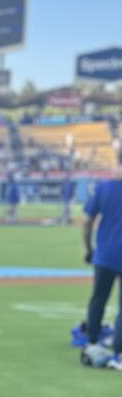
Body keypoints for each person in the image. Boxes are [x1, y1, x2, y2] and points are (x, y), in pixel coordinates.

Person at [81, 151, 122, 371]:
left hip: (105, 254)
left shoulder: (104, 188)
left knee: (98, 300)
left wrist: (88, 249)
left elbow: (87, 221)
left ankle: (92, 342)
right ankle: (119, 353)